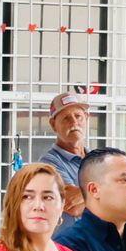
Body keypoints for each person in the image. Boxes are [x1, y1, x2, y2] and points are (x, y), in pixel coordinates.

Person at [40, 91, 90, 219]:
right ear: (53, 125)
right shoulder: (49, 163)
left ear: (87, 118)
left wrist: (84, 195)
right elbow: (72, 205)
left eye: (78, 116)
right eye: (66, 118)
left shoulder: (97, 159)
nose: (74, 123)